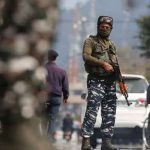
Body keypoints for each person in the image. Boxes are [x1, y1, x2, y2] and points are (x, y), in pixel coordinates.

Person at [81, 16, 125, 150]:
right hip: (96, 80)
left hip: (110, 82)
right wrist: (102, 64)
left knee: (109, 112)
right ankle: (86, 142)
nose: (104, 29)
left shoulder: (111, 44)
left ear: (111, 29)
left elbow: (116, 64)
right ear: (98, 27)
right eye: (102, 26)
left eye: (107, 27)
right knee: (92, 110)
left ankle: (106, 142)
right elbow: (86, 56)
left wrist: (121, 81)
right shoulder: (91, 41)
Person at [45, 49, 69, 142]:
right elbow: (65, 86)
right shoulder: (62, 71)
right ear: (56, 58)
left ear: (47, 57)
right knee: (52, 119)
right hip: (56, 98)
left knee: (43, 118)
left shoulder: (42, 69)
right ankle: (49, 138)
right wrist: (66, 97)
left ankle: (40, 137)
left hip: (43, 97)